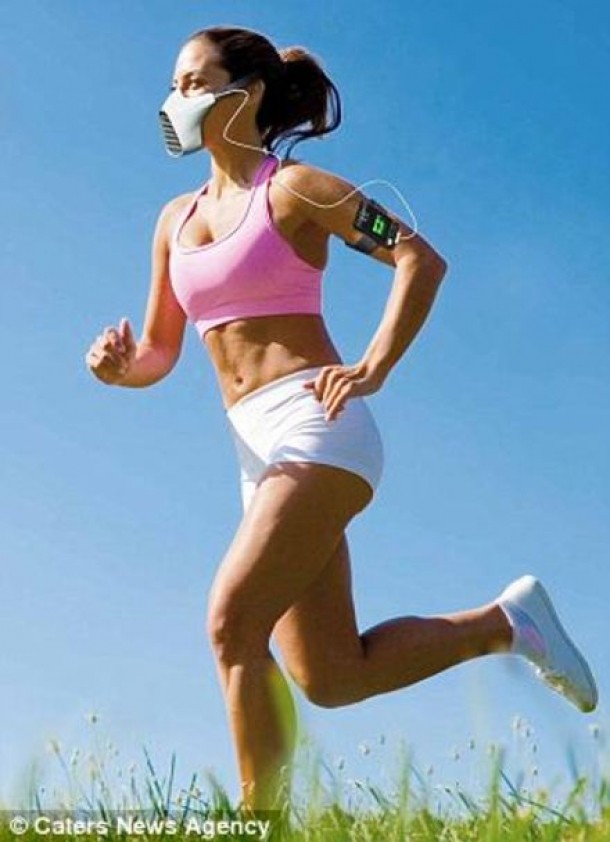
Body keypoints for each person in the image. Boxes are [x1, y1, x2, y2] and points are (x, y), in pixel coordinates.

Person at [85, 25, 598, 810]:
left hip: (317, 428)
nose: (174, 99)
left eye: (192, 82)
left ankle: (261, 824)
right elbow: (159, 351)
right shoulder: (173, 220)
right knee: (331, 675)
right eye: (174, 83)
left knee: (231, 624)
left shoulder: (294, 191)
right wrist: (122, 369)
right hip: (256, 456)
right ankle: (506, 624)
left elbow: (417, 257)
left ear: (247, 93)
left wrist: (373, 365)